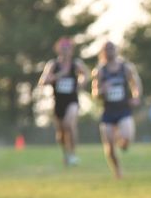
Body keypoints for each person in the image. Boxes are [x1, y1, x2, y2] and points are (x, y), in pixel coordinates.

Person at [91, 41, 142, 179]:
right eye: (106, 49)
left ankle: (120, 137)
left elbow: (135, 83)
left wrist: (136, 97)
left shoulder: (126, 67)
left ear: (116, 50)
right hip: (108, 112)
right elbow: (95, 93)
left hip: (124, 110)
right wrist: (102, 90)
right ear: (103, 52)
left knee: (126, 141)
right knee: (109, 147)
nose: (109, 51)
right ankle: (117, 171)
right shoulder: (100, 71)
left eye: (111, 48)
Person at [37, 37, 90, 166]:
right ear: (58, 50)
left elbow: (86, 74)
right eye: (63, 49)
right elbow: (43, 82)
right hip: (58, 102)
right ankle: (66, 154)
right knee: (60, 134)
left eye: (68, 49)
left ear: (71, 50)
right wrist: (59, 75)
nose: (65, 51)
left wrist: (82, 82)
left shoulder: (75, 64)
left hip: (72, 100)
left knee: (69, 124)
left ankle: (73, 154)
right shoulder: (52, 65)